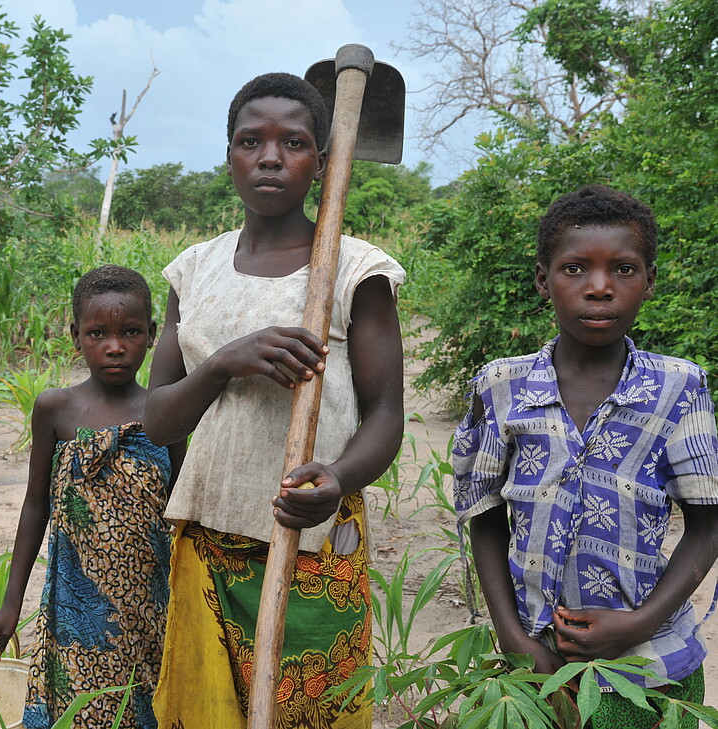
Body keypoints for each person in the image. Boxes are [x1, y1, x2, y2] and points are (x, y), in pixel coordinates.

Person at [145, 72, 405, 729]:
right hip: (209, 543)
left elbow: (386, 416)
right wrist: (223, 366)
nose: (268, 156)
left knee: (314, 713)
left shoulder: (352, 269)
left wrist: (338, 477)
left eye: (292, 143)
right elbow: (157, 418)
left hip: (314, 540)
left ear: (321, 164)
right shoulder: (193, 270)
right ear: (228, 155)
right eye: (249, 141)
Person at [453, 184, 718, 728]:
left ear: (650, 281)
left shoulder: (678, 388)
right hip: (531, 664)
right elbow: (483, 517)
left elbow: (707, 525)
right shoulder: (503, 386)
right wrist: (512, 636)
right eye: (575, 269)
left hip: (646, 667)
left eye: (623, 269)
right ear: (543, 281)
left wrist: (640, 622)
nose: (599, 288)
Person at [0, 264, 185, 729]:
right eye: (98, 333)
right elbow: (37, 506)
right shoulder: (56, 409)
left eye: (131, 332)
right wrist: (11, 603)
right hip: (75, 610)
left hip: (152, 607)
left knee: (146, 708)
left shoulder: (164, 412)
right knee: (79, 712)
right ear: (76, 335)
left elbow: (182, 505)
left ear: (152, 335)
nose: (115, 346)